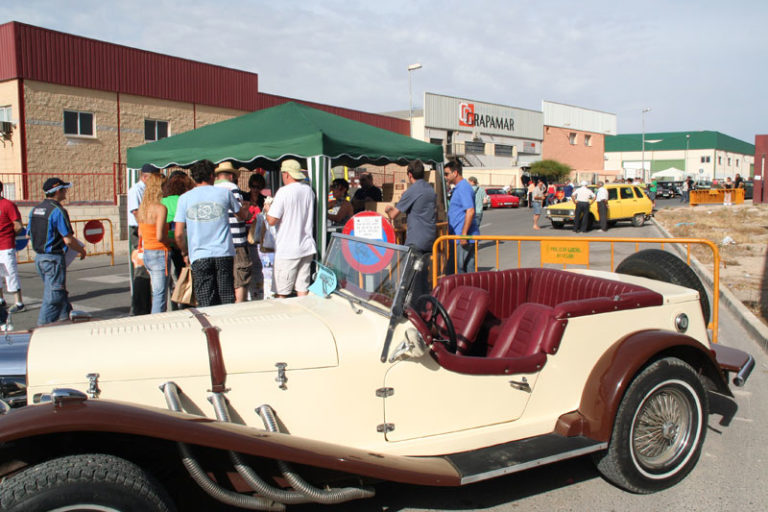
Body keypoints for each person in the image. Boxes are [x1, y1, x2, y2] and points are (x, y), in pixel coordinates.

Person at [174, 160, 244, 307]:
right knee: (226, 298)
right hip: (223, 252)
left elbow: (179, 234)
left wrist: (184, 251)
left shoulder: (184, 198)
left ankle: (210, 328)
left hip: (199, 254)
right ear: (212, 175)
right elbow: (242, 214)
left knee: (205, 300)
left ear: (194, 177)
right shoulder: (225, 193)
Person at [28, 178, 86, 325]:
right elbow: (68, 239)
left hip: (40, 258)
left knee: (57, 292)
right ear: (58, 191)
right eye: (64, 189)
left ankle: (65, 319)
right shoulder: (58, 210)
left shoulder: (35, 210)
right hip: (53, 258)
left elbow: (29, 234)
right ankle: (43, 327)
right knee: (53, 297)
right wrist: (81, 251)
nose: (66, 192)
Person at [385, 160, 437, 298]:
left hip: (416, 240)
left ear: (409, 174)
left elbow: (394, 214)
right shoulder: (430, 189)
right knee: (422, 275)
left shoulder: (412, 191)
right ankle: (424, 303)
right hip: (429, 239)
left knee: (409, 277)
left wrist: (387, 209)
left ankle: (413, 308)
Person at [265, 159, 317, 298]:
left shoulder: (283, 192)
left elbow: (271, 220)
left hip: (288, 249)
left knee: (282, 293)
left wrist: (267, 209)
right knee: (302, 290)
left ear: (286, 174)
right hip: (306, 246)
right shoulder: (309, 191)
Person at [214, 162, 252, 303]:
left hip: (219, 242)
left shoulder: (212, 189)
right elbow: (239, 215)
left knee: (224, 280)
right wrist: (246, 210)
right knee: (240, 278)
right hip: (236, 241)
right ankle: (238, 308)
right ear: (231, 175)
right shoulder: (233, 188)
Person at [137, 173, 172, 313]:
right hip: (159, 252)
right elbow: (160, 236)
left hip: (148, 252)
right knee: (160, 295)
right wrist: (172, 240)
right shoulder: (160, 208)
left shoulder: (143, 208)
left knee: (156, 292)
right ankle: (158, 324)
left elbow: (140, 233)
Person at [128, 163, 159, 315]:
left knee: (146, 270)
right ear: (145, 177)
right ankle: (139, 308)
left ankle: (146, 305)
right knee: (141, 269)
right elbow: (136, 211)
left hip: (145, 228)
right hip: (139, 230)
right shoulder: (136, 190)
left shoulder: (147, 190)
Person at [162, 171, 195, 309]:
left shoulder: (163, 201)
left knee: (172, 277)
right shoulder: (186, 199)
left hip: (167, 241)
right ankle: (185, 301)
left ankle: (174, 304)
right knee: (185, 274)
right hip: (184, 241)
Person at [443, 160, 479, 274]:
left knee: (456, 272)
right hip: (462, 236)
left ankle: (463, 292)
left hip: (462, 237)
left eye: (447, 174)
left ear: (455, 173)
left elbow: (470, 211)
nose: (445, 177)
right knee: (468, 271)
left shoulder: (463, 187)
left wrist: (463, 234)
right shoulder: (460, 188)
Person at [0, 181, 25, 316]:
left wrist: (9, 235)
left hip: (6, 245)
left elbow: (18, 226)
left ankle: (19, 303)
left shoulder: (8, 205)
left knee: (10, 273)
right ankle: (1, 300)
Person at [246, 173, 267, 300]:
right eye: (253, 186)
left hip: (258, 238)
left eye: (258, 187)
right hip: (244, 236)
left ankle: (258, 294)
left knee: (258, 267)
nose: (255, 189)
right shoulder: (244, 197)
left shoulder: (264, 200)